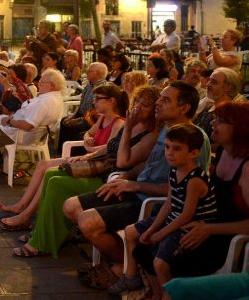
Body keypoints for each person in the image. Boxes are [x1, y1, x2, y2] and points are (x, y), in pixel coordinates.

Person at [65, 82, 210, 291]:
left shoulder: (193, 139)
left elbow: (182, 190)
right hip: (138, 190)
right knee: (71, 207)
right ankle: (123, 261)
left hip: (151, 201)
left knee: (87, 221)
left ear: (185, 108)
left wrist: (134, 185)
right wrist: (125, 177)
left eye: (166, 100)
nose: (159, 103)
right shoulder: (167, 130)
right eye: (160, 98)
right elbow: (146, 163)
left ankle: (125, 268)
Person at [9, 86, 161, 258]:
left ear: (155, 110)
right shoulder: (134, 125)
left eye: (145, 105)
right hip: (100, 168)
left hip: (111, 178)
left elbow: (122, 161)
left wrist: (127, 128)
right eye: (138, 102)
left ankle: (43, 243)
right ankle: (42, 232)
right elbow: (109, 147)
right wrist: (88, 157)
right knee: (51, 173)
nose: (138, 107)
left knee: (57, 183)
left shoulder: (149, 134)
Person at [0, 83, 128, 234]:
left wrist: (90, 149)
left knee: (50, 170)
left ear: (112, 101)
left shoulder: (118, 123)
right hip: (89, 158)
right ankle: (22, 206)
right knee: (42, 164)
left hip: (96, 163)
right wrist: (87, 139)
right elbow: (89, 133)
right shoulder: (103, 119)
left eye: (98, 99)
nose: (94, 101)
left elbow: (109, 149)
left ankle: (26, 214)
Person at [115, 124, 218, 297]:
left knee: (160, 263)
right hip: (175, 219)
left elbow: (187, 215)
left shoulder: (194, 180)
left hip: (190, 226)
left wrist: (160, 234)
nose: (169, 153)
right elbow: (169, 203)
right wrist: (151, 229)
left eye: (177, 149)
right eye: (167, 147)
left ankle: (168, 294)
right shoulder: (174, 171)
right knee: (142, 250)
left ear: (194, 153)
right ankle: (156, 294)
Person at [162, 101, 249, 298]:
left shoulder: (246, 169)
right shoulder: (223, 152)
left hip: (228, 238)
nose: (212, 123)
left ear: (240, 128)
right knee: (148, 246)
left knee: (165, 258)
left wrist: (209, 229)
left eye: (220, 121)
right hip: (205, 224)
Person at [58, 62, 109, 148]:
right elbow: (82, 103)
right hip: (83, 115)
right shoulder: (89, 84)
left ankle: (73, 153)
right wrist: (73, 116)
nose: (86, 73)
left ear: (97, 73)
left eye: (89, 71)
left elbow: (95, 112)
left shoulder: (104, 88)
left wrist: (79, 120)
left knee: (77, 127)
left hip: (93, 120)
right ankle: (62, 151)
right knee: (64, 121)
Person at [193, 66, 243, 139]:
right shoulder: (208, 108)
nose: (207, 85)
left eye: (214, 82)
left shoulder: (229, 114)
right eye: (209, 80)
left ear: (228, 87)